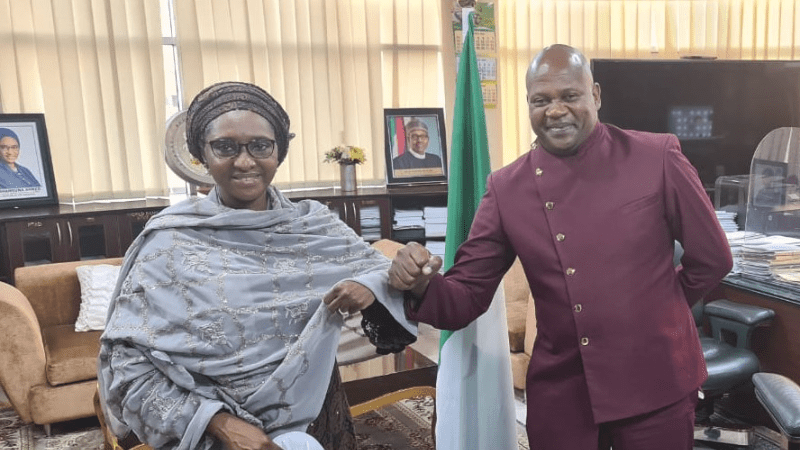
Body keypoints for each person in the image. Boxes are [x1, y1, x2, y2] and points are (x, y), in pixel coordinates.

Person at [388, 44, 733, 450]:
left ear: (596, 95)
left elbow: (712, 258)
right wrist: (420, 284)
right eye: (541, 100)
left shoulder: (656, 156)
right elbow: (466, 295)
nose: (555, 110)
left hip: (653, 381)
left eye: (570, 96)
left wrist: (658, 307)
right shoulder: (506, 188)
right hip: (563, 394)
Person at [98, 81, 415, 450]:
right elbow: (127, 366)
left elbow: (387, 277)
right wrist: (218, 423)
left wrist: (393, 275)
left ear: (279, 150)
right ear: (201, 153)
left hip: (316, 420)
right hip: (212, 435)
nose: (245, 161)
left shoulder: (314, 227)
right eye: (225, 147)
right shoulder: (168, 243)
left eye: (261, 146)